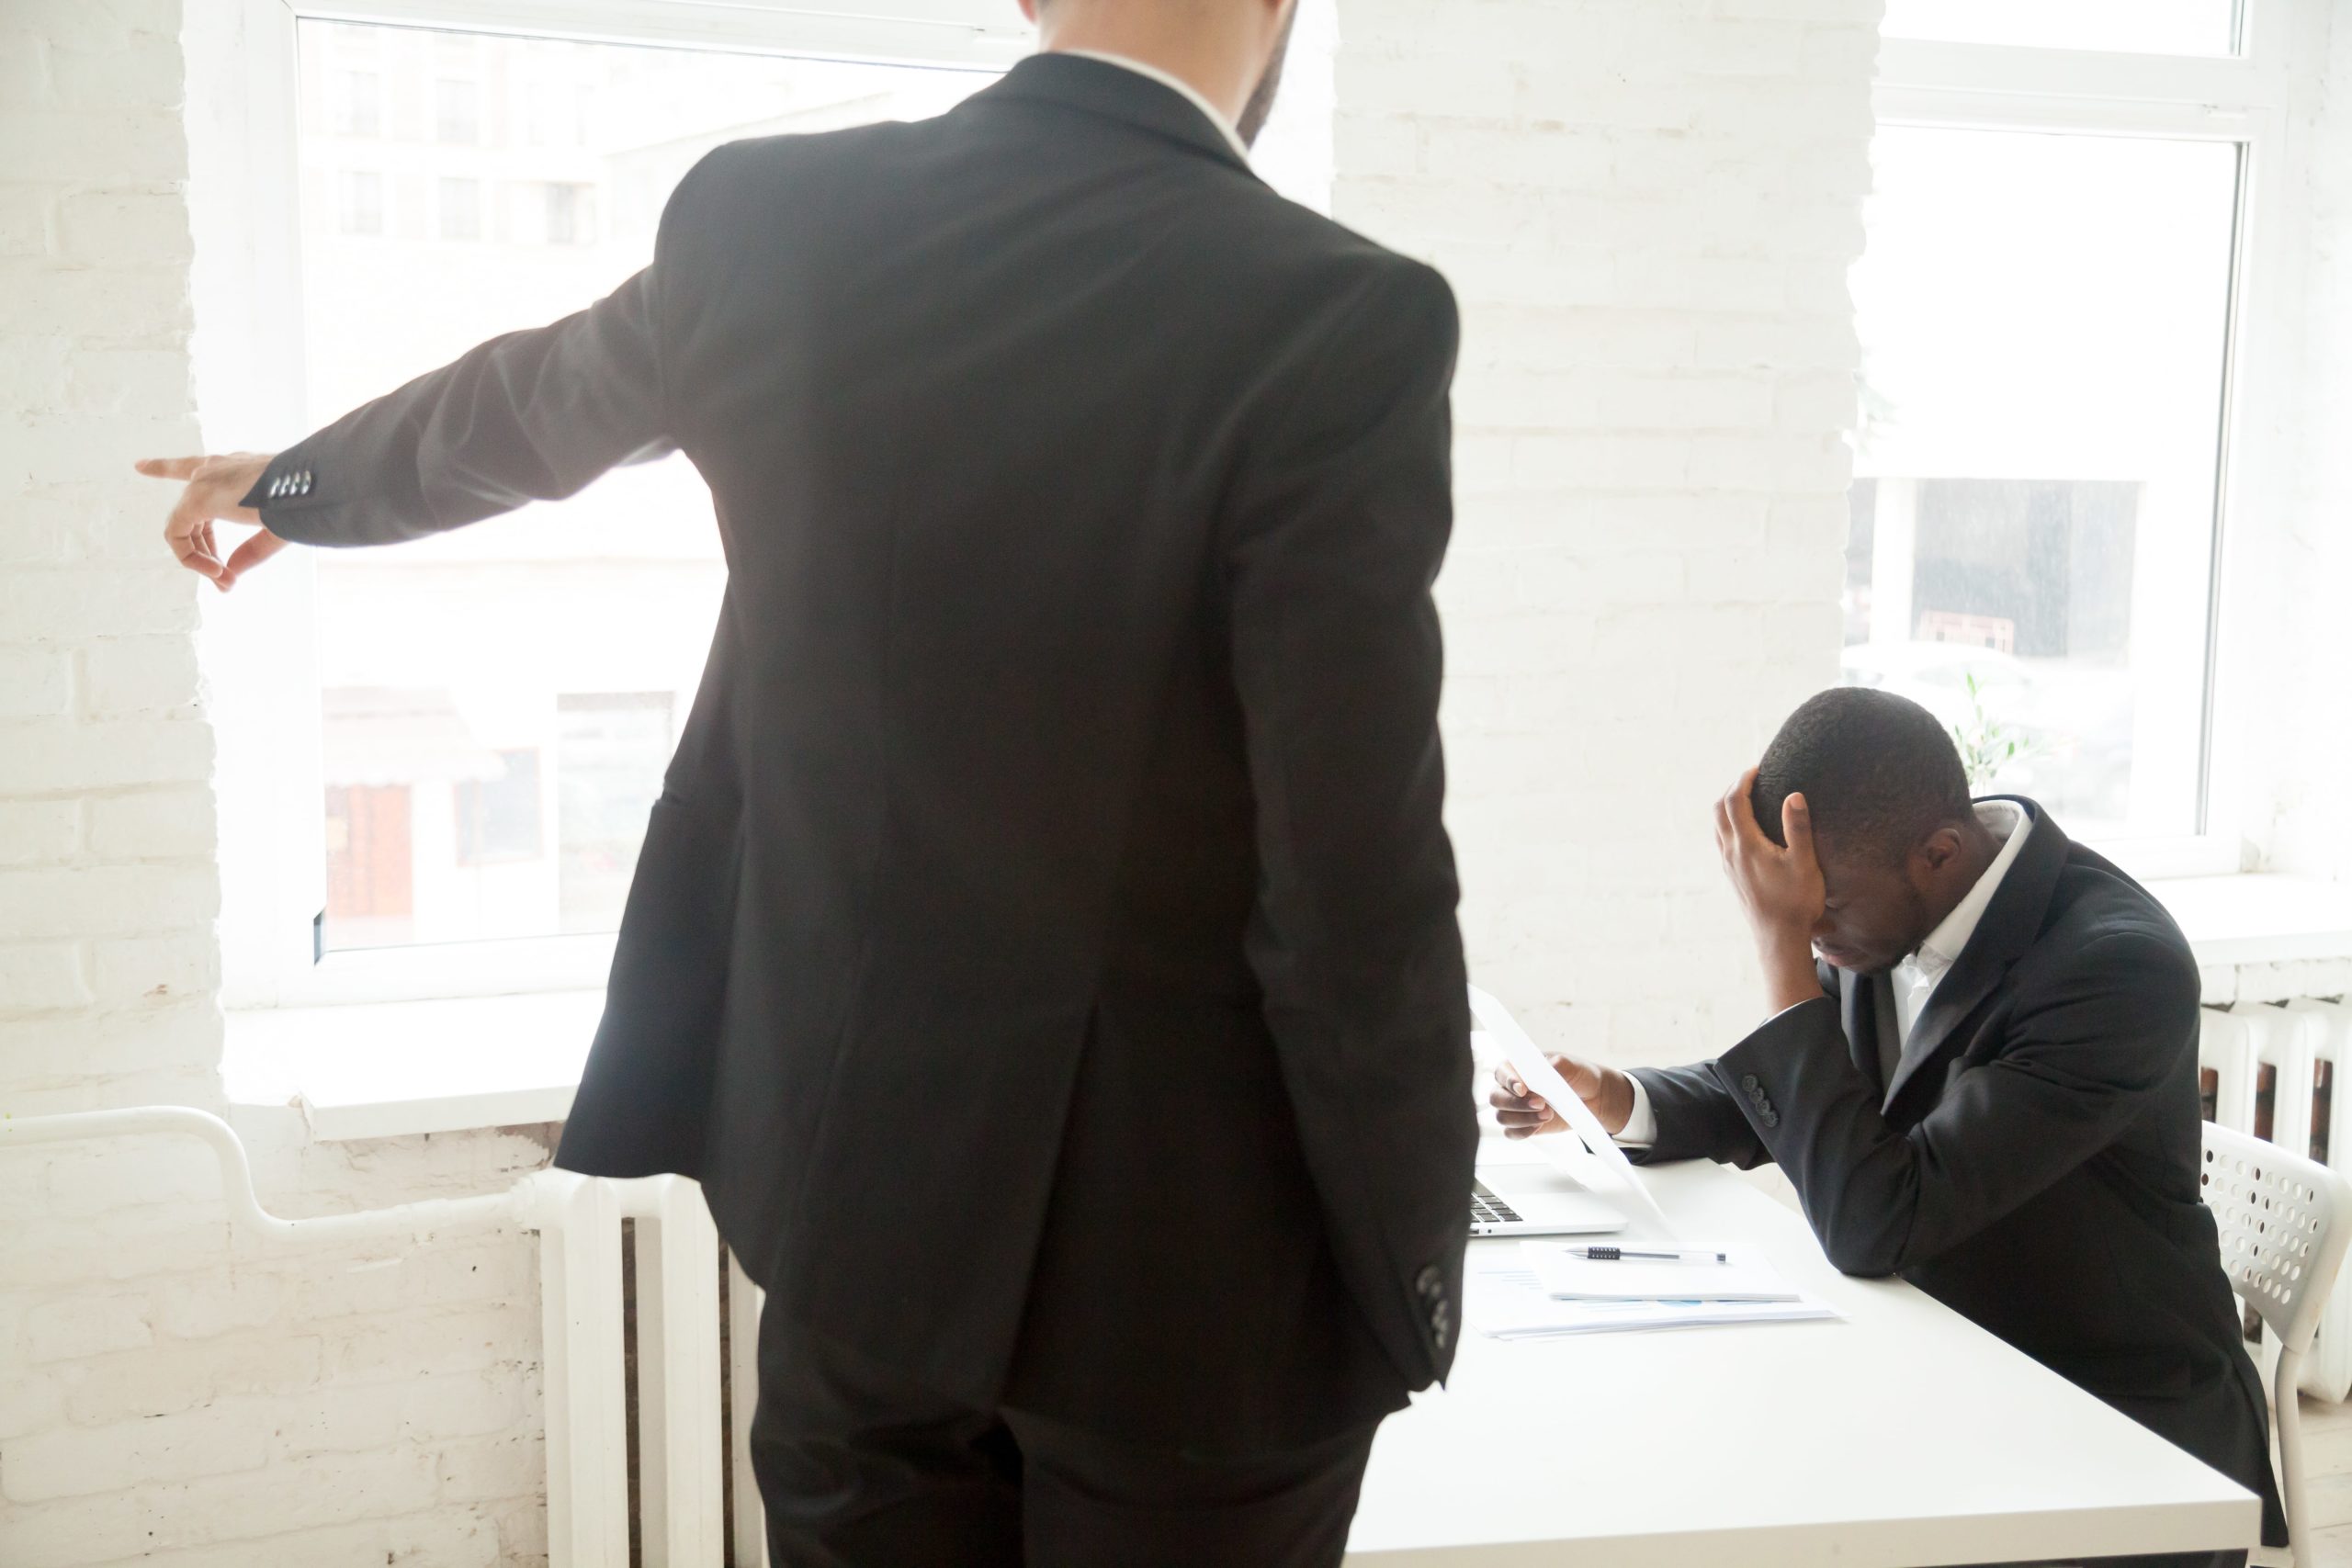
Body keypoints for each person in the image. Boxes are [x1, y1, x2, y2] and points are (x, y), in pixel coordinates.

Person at [136, 0, 1478, 1561]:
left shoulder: (769, 220)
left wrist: (289, 487)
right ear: (1282, 10)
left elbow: (526, 410)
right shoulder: (1339, 318)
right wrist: (1413, 1272)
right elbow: (1354, 885)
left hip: (861, 1221)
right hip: (1192, 1286)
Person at [1492, 687, 2283, 1568]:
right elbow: (1800, 1091)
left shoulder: (2115, 967)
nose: (1809, 935)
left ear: (1939, 854)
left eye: (1817, 916)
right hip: (1952, 1361)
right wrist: (1614, 1096)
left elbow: (1879, 1219)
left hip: (2118, 1421)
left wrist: (1781, 947)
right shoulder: (1887, 902)